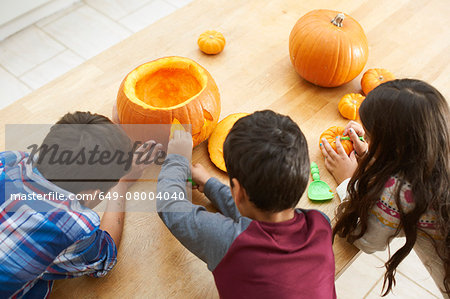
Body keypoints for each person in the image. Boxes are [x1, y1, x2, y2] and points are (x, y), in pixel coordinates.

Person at [157, 110, 336, 298]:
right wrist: (210, 185)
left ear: (238, 191)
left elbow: (170, 206)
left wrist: (177, 158)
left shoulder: (230, 243)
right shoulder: (321, 224)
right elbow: (257, 218)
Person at [0, 112, 159, 298]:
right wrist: (122, 184)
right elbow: (105, 255)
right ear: (90, 195)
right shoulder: (74, 226)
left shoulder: (10, 160)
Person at [320, 79, 449, 296]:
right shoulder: (437, 147)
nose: (366, 140)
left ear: (392, 147)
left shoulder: (399, 195)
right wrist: (377, 154)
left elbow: (367, 240)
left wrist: (348, 180)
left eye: (370, 137)